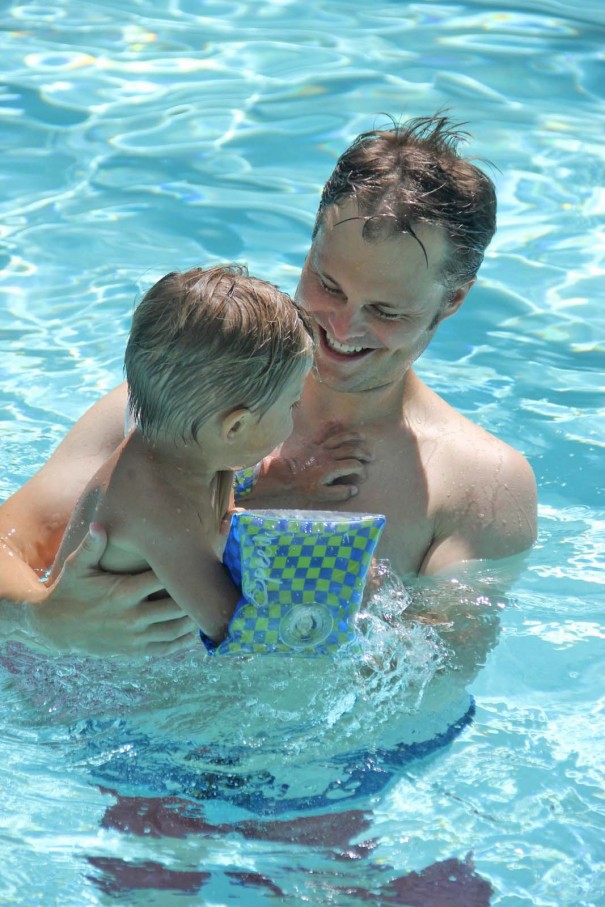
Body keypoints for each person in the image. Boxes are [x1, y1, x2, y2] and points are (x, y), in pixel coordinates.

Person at [0, 112, 537, 657]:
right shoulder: (177, 403)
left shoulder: (478, 485)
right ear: (309, 248)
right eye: (327, 283)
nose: (342, 327)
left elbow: (430, 690)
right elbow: (10, 546)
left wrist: (362, 621)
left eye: (386, 309)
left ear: (453, 301)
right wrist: (44, 620)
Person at [29, 264, 313, 648]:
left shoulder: (190, 452)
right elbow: (235, 631)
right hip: (80, 680)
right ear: (234, 428)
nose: (297, 417)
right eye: (293, 405)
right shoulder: (157, 508)